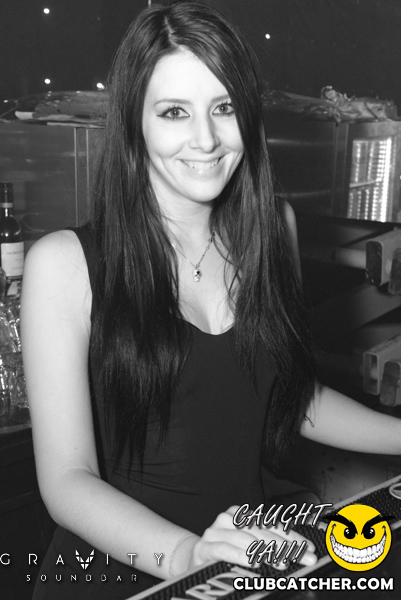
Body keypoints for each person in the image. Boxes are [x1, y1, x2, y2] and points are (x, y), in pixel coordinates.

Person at [20, 2, 401, 599]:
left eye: (224, 108)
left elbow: (286, 395)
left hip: (243, 560)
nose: (206, 139)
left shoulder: (274, 229)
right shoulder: (64, 264)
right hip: (125, 574)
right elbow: (67, 479)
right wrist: (186, 555)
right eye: (174, 112)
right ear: (134, 123)